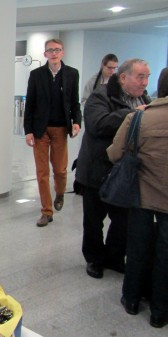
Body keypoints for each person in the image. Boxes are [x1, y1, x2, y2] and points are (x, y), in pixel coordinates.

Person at [75, 58, 151, 279]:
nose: (145, 82)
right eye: (140, 76)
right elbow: (98, 124)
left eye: (147, 76)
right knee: (93, 220)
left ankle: (115, 257)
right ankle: (95, 259)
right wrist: (133, 114)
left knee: (123, 221)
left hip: (125, 173)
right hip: (96, 170)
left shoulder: (144, 99)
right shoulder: (101, 95)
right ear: (124, 77)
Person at [107, 67, 168, 329]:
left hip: (142, 196)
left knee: (138, 249)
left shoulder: (140, 118)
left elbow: (114, 153)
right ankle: (159, 312)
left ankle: (131, 299)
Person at [23, 38, 82, 227]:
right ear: (45, 54)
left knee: (60, 170)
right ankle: (46, 211)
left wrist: (77, 122)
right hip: (41, 130)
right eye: (50, 50)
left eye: (57, 50)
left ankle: (60, 192)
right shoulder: (36, 75)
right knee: (42, 172)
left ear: (62, 53)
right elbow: (30, 104)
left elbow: (75, 102)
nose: (54, 53)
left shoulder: (72, 74)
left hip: (61, 128)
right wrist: (28, 130)